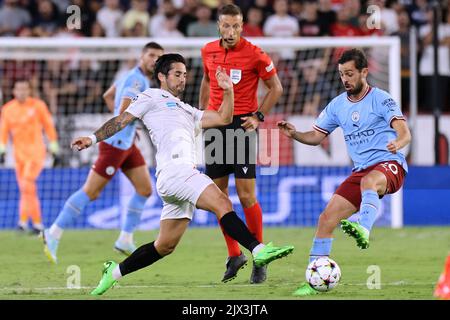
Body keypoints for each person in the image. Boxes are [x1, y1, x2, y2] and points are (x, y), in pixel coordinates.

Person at [70, 53, 294, 296]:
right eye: (177, 74)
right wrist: (92, 138)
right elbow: (122, 120)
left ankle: (113, 272)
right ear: (161, 77)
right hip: (176, 172)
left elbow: (223, 117)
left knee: (164, 246)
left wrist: (228, 90)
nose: (183, 79)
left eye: (185, 75)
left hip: (178, 179)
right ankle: (259, 250)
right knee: (222, 201)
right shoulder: (151, 96)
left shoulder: (187, 109)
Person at [277, 48, 411, 296]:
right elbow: (316, 136)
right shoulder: (337, 105)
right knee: (326, 219)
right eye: (341, 75)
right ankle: (313, 278)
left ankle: (364, 227)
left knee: (370, 182)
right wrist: (295, 134)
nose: (345, 79)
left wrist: (398, 144)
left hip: (389, 164)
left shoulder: (381, 98)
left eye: (350, 74)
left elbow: (405, 132)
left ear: (364, 72)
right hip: (361, 171)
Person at [42, 42, 164, 264]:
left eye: (159, 56)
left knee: (145, 189)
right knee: (91, 191)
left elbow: (108, 95)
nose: (155, 60)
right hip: (115, 145)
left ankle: (125, 239)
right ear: (141, 56)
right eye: (151, 55)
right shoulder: (138, 81)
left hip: (127, 144)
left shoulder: (130, 75)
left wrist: (128, 126)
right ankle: (53, 233)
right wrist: (126, 123)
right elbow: (122, 111)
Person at [199, 3, 283, 284]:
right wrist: (201, 115)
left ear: (242, 25)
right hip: (215, 127)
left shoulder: (255, 54)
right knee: (218, 198)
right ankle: (234, 254)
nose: (231, 31)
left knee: (246, 196)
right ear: (219, 26)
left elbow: (276, 88)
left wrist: (259, 116)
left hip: (242, 128)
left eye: (236, 26)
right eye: (226, 25)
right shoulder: (207, 50)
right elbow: (205, 79)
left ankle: (261, 257)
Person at [0, 80, 59, 234]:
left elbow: (48, 126)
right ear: (14, 91)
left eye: (25, 89)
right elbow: (3, 131)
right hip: (18, 155)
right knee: (26, 189)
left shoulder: (38, 105)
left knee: (27, 184)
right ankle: (24, 222)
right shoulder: (8, 109)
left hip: (36, 153)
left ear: (29, 91)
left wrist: (53, 145)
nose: (22, 92)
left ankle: (37, 224)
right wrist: (2, 150)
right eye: (19, 89)